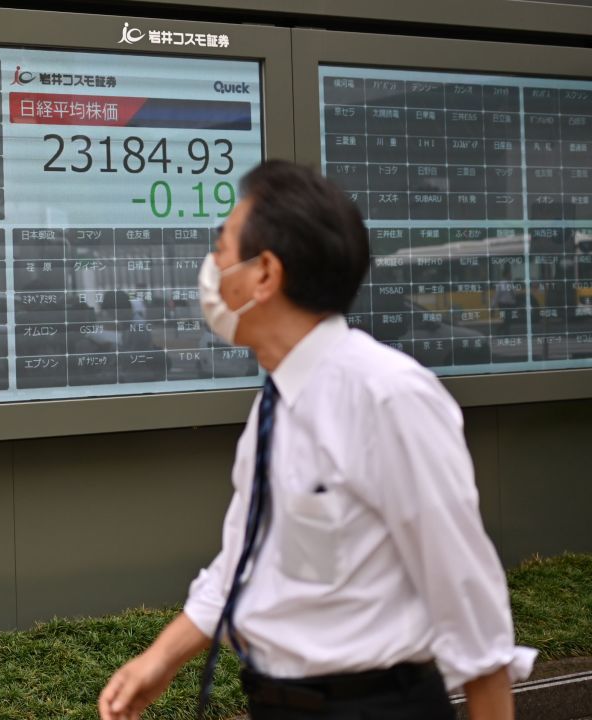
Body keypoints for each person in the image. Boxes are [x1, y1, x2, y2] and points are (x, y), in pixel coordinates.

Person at [98, 160, 534, 720]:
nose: (212, 268)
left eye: (223, 248)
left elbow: (468, 596)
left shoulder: (387, 396)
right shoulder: (276, 401)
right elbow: (243, 560)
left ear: (265, 274)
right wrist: (159, 660)